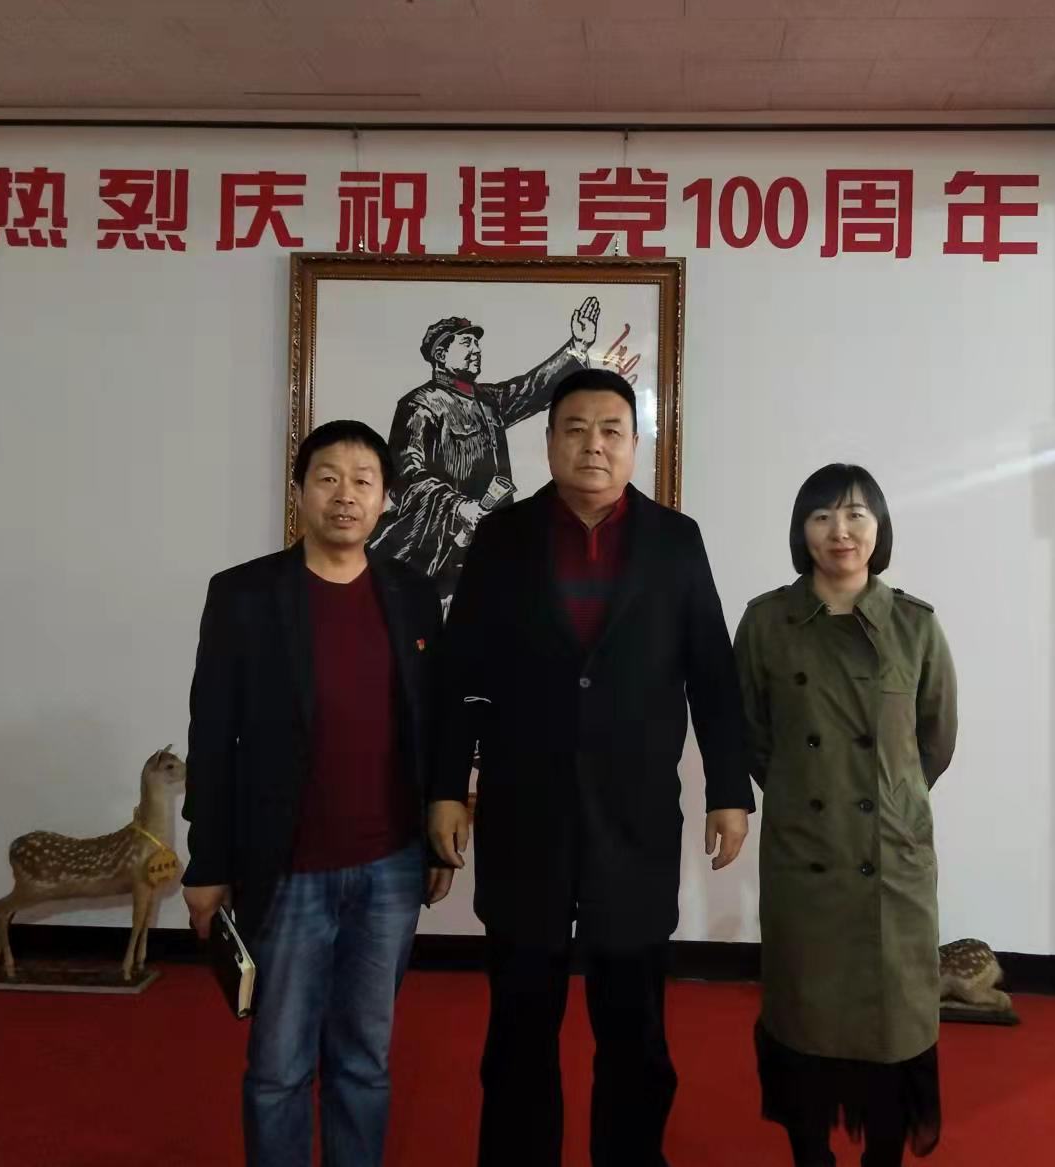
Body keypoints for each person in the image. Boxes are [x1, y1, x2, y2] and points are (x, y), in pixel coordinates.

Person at [429, 367, 755, 1167]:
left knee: (634, 1029)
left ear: (634, 444)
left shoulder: (675, 541)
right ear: (547, 442)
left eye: (610, 430)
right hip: (524, 816)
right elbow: (461, 673)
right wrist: (445, 787)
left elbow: (711, 675)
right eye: (574, 429)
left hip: (633, 821)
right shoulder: (502, 538)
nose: (593, 445)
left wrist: (728, 790)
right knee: (518, 1027)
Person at [182, 419, 451, 1167]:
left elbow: (431, 724)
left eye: (364, 480)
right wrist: (208, 862)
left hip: (390, 866)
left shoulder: (412, 595)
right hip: (286, 867)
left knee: (365, 1059)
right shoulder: (244, 595)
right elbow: (212, 735)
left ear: (386, 498)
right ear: (299, 490)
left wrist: (435, 840)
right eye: (327, 477)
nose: (345, 495)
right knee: (278, 1066)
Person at [733, 464, 957, 1167]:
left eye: (857, 514)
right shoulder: (766, 622)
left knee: (894, 1023)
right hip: (805, 856)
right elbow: (750, 735)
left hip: (889, 858)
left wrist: (888, 800)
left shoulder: (915, 625)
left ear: (879, 528)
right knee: (802, 1020)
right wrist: (806, 789)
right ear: (800, 530)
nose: (841, 531)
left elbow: (935, 740)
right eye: (822, 516)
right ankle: (811, 1155)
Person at [371, 297, 600, 606]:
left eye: (477, 343)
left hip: (496, 544)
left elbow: (531, 388)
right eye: (467, 343)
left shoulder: (488, 400)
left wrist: (578, 346)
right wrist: (458, 507)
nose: (476, 350)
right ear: (441, 354)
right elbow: (407, 476)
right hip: (439, 548)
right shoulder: (419, 405)